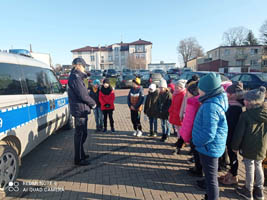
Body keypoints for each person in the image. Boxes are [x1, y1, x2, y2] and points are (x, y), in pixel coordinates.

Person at [192, 72, 228, 200]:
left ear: (208, 90)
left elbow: (209, 133)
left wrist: (196, 141)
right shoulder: (213, 101)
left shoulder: (211, 106)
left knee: (211, 179)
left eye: (200, 89)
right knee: (209, 178)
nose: (198, 91)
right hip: (210, 147)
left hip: (208, 148)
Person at [232, 86, 267, 200]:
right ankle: (259, 191)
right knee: (258, 166)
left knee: (250, 168)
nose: (244, 101)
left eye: (246, 99)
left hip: (248, 146)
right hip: (262, 146)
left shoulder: (245, 115)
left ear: (252, 102)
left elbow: (239, 134)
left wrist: (235, 147)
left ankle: (248, 190)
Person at [68, 58, 96, 166]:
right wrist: (93, 103)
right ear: (79, 66)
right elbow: (82, 95)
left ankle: (81, 154)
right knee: (80, 135)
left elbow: (82, 93)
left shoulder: (78, 77)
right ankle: (78, 159)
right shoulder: (76, 77)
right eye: (84, 66)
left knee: (83, 134)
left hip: (81, 109)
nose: (85, 68)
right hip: (80, 109)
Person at [218, 81, 244, 185]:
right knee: (230, 154)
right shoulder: (232, 105)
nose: (226, 94)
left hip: (232, 136)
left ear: (233, 95)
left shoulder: (235, 107)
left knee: (233, 155)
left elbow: (231, 124)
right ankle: (231, 173)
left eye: (228, 93)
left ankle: (234, 175)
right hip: (229, 134)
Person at [168, 80, 186, 154]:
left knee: (181, 129)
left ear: (181, 87)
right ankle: (179, 140)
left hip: (180, 114)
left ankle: (182, 141)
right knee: (177, 128)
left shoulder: (183, 94)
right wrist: (170, 111)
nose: (175, 88)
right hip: (174, 114)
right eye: (175, 87)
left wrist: (181, 114)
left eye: (177, 87)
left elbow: (183, 106)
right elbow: (173, 104)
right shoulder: (175, 94)